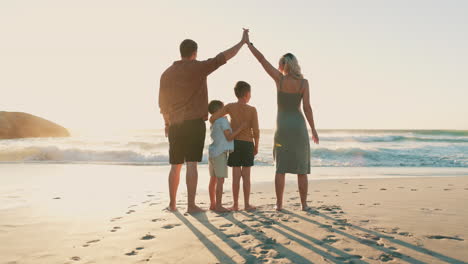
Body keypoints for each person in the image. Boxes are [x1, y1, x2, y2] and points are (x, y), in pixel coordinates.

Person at [159, 30, 248, 213]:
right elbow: (222, 58)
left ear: (181, 52)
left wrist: (167, 123)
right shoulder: (198, 67)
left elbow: (162, 103)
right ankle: (191, 206)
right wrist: (241, 43)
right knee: (191, 163)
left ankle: (173, 204)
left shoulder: (166, 74)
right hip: (194, 123)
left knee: (175, 165)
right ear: (194, 53)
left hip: (175, 124)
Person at [245, 30, 319, 211]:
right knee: (301, 169)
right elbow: (307, 108)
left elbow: (262, 60)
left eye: (280, 63)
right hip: (299, 127)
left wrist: (248, 43)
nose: (278, 66)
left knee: (281, 167)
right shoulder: (304, 83)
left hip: (283, 128)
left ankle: (279, 205)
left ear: (284, 64)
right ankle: (304, 205)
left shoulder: (279, 80)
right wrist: (314, 130)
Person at [209, 81, 259, 211]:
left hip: (235, 144)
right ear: (247, 94)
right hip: (248, 144)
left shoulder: (230, 107)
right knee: (246, 176)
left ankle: (236, 204)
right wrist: (256, 146)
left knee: (236, 176)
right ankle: (247, 204)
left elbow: (212, 118)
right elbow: (256, 131)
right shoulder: (252, 110)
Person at [207, 100, 246, 213]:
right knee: (220, 180)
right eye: (224, 109)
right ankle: (218, 205)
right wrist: (241, 128)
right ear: (219, 110)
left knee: (213, 179)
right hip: (220, 153)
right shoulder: (222, 120)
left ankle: (213, 204)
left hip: (212, 152)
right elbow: (229, 137)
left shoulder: (214, 122)